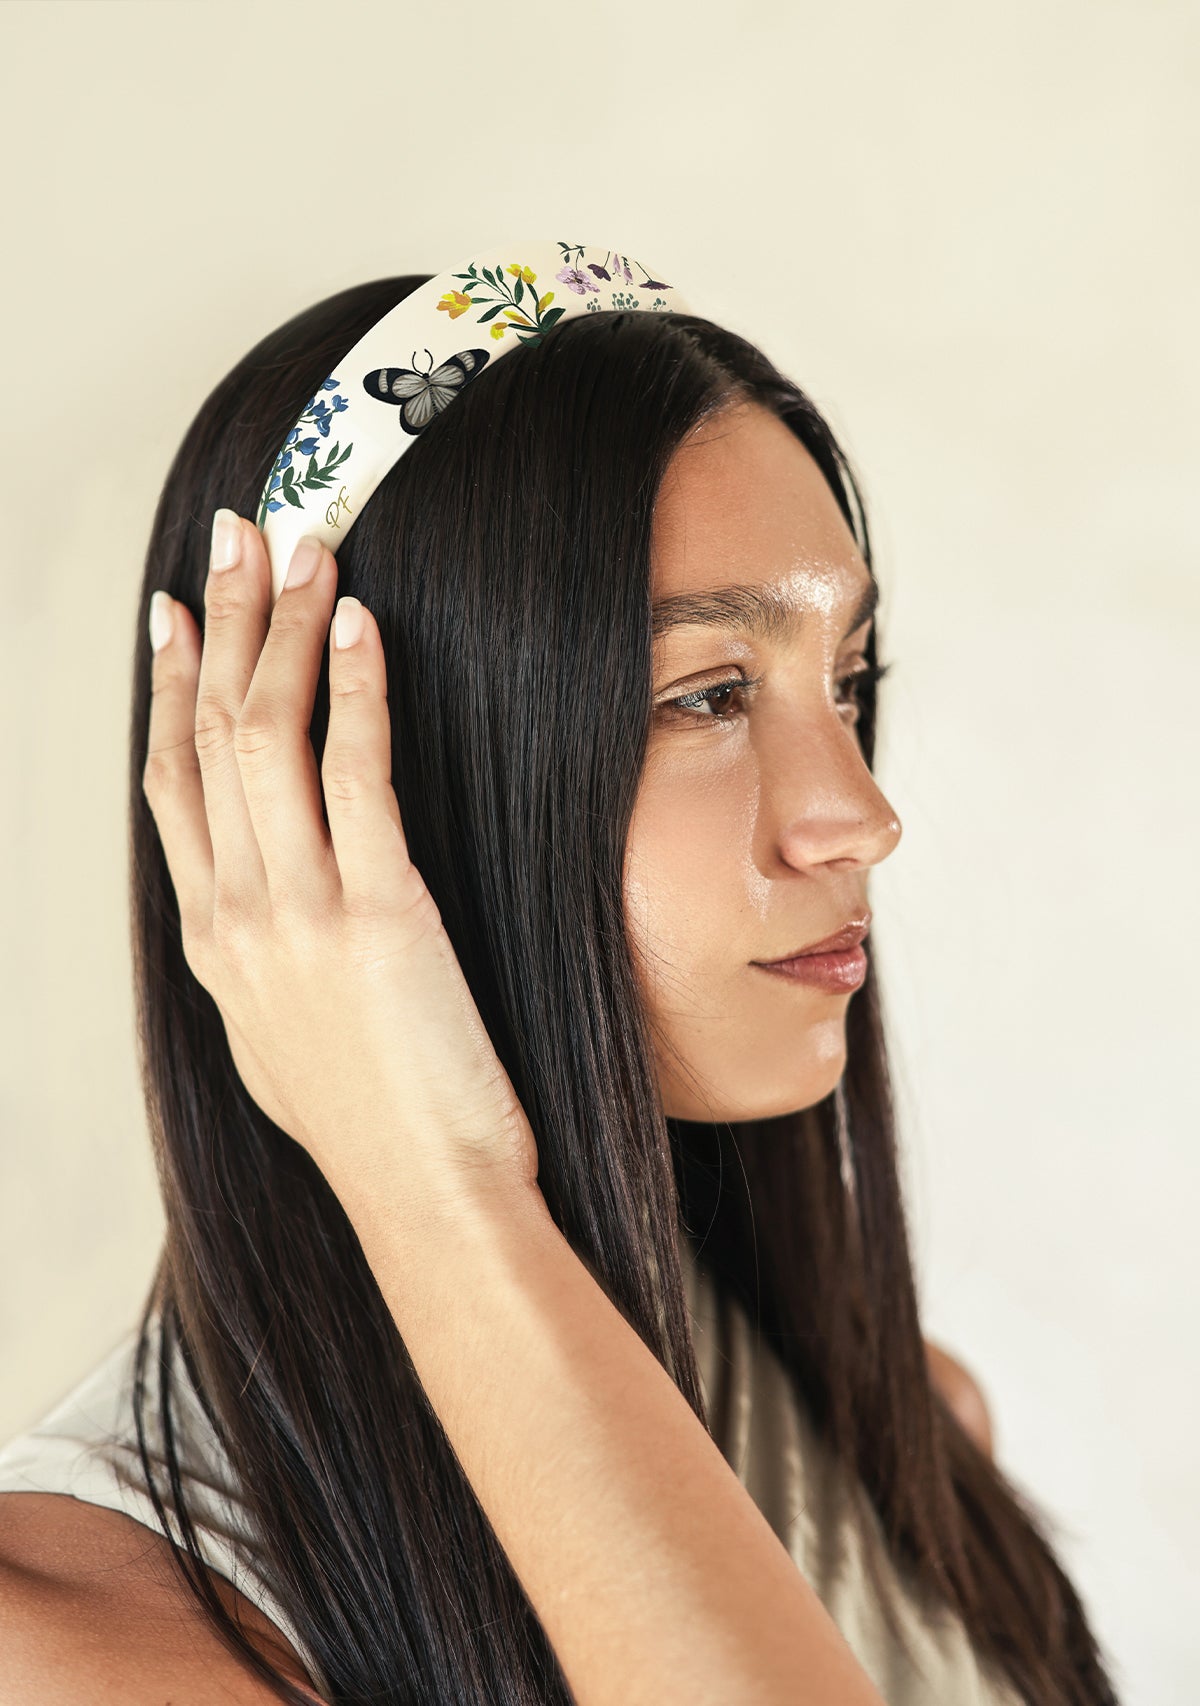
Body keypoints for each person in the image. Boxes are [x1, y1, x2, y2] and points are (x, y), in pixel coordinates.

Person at [0, 273, 1120, 1705]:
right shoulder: (90, 1642)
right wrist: (433, 1182)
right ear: (339, 792)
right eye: (707, 694)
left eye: (846, 680)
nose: (860, 812)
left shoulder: (898, 1437)